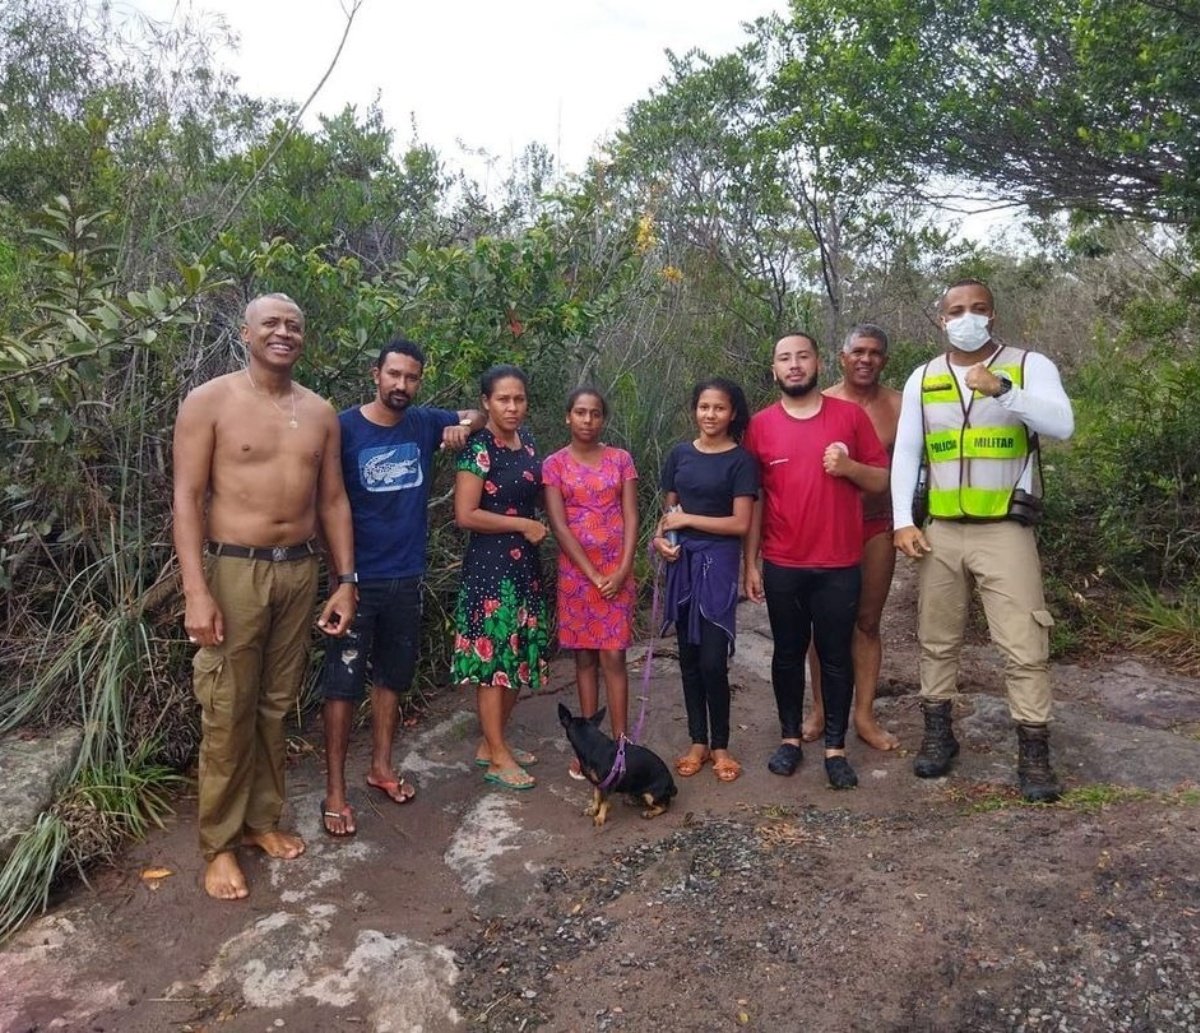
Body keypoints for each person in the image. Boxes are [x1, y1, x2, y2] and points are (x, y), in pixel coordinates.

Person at [172, 293, 358, 901]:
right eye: (272, 324)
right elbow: (187, 498)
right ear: (247, 333)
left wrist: (345, 581)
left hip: (299, 571)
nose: (284, 333)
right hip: (235, 569)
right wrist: (196, 589)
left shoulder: (320, 412)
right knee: (228, 706)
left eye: (294, 325)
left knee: (276, 705)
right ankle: (219, 844)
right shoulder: (210, 402)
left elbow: (331, 500)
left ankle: (260, 822)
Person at [891, 278, 1074, 802]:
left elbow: (1062, 424)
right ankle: (937, 734)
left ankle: (1034, 752)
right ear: (940, 319)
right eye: (955, 310)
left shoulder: (1027, 364)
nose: (966, 317)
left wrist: (1005, 391)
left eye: (977, 308)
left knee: (1024, 642)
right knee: (936, 636)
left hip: (1005, 529)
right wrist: (903, 519)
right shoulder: (922, 377)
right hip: (941, 530)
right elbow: (908, 452)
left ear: (992, 314)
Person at [318, 338, 484, 837]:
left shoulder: (424, 422)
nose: (401, 385)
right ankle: (335, 790)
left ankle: (382, 767)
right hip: (355, 582)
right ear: (375, 374)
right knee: (342, 684)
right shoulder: (344, 428)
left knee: (392, 677)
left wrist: (464, 426)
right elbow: (326, 503)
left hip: (407, 577)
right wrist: (339, 578)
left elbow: (476, 413)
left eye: (411, 377)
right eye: (394, 375)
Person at [743, 333, 889, 789]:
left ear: (818, 363)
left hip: (840, 560)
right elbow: (754, 498)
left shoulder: (849, 417)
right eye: (784, 358)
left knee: (835, 656)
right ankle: (789, 739)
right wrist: (751, 562)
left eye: (801, 356)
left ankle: (835, 747)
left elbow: (882, 478)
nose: (793, 365)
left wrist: (849, 468)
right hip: (784, 559)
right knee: (787, 654)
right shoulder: (760, 426)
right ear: (774, 370)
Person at [802, 325, 903, 751]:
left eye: (875, 353)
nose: (866, 359)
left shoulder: (900, 406)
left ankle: (864, 714)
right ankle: (823, 709)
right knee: (820, 627)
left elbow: (919, 464)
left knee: (867, 621)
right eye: (857, 351)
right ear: (841, 357)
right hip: (826, 528)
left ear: (884, 360)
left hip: (876, 525)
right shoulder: (819, 403)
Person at [654, 378, 758, 784]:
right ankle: (697, 741)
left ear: (733, 413)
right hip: (683, 563)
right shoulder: (679, 455)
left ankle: (721, 746)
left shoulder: (741, 461)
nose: (710, 415)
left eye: (719, 408)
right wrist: (662, 539)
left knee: (714, 659)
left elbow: (741, 522)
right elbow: (669, 515)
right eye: (703, 407)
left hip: (718, 563)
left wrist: (687, 520)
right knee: (689, 657)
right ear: (694, 410)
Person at [452, 364, 550, 791]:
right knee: (493, 662)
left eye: (519, 399)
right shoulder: (478, 448)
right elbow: (466, 514)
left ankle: (491, 744)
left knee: (516, 657)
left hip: (524, 567)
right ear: (486, 403)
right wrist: (521, 526)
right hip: (491, 571)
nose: (512, 407)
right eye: (503, 399)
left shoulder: (526, 441)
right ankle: (497, 755)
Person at [542, 388, 639, 780]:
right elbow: (559, 525)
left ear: (603, 418)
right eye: (580, 412)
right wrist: (592, 573)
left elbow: (631, 515)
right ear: (568, 417)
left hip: (617, 572)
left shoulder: (621, 460)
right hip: (577, 577)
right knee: (584, 656)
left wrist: (622, 568)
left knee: (613, 656)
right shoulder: (554, 465)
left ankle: (620, 741)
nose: (587, 420)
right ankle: (587, 745)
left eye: (595, 413)